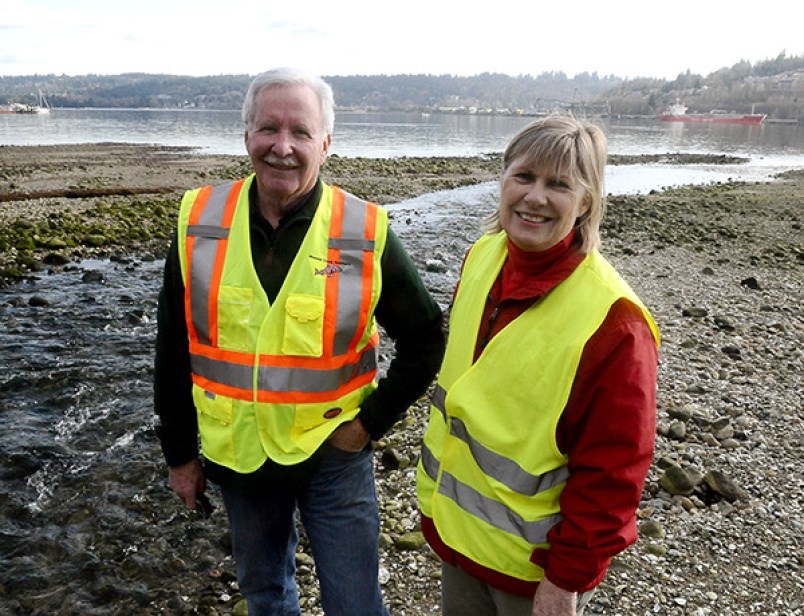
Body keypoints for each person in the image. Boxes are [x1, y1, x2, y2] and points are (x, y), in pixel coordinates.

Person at [154, 67, 445, 616]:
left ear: (327, 143)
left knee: (355, 603)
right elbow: (173, 348)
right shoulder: (197, 222)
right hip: (240, 456)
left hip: (335, 453)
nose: (282, 147)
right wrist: (179, 456)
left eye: (301, 133)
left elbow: (428, 339)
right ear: (246, 136)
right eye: (268, 129)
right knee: (265, 596)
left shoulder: (363, 231)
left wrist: (367, 427)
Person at [416, 115, 660, 616]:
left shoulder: (614, 323)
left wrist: (565, 580)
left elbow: (614, 474)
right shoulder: (482, 257)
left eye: (559, 185)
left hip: (532, 572)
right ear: (502, 180)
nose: (535, 197)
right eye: (523, 177)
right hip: (458, 539)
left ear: (587, 202)